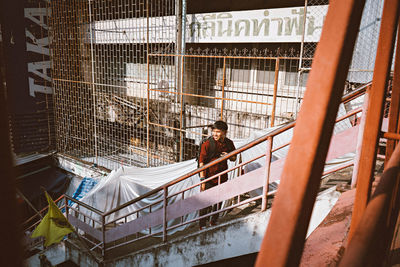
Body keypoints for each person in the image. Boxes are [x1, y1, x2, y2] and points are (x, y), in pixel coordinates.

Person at [198, 120, 236, 229]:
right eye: (213, 131)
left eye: (218, 132)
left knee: (218, 200)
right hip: (209, 177)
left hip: (222, 176)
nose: (215, 134)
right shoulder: (207, 144)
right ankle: (202, 225)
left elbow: (234, 158)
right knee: (205, 202)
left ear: (224, 132)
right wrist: (202, 180)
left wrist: (228, 155)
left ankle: (213, 221)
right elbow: (201, 162)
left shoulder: (229, 143)